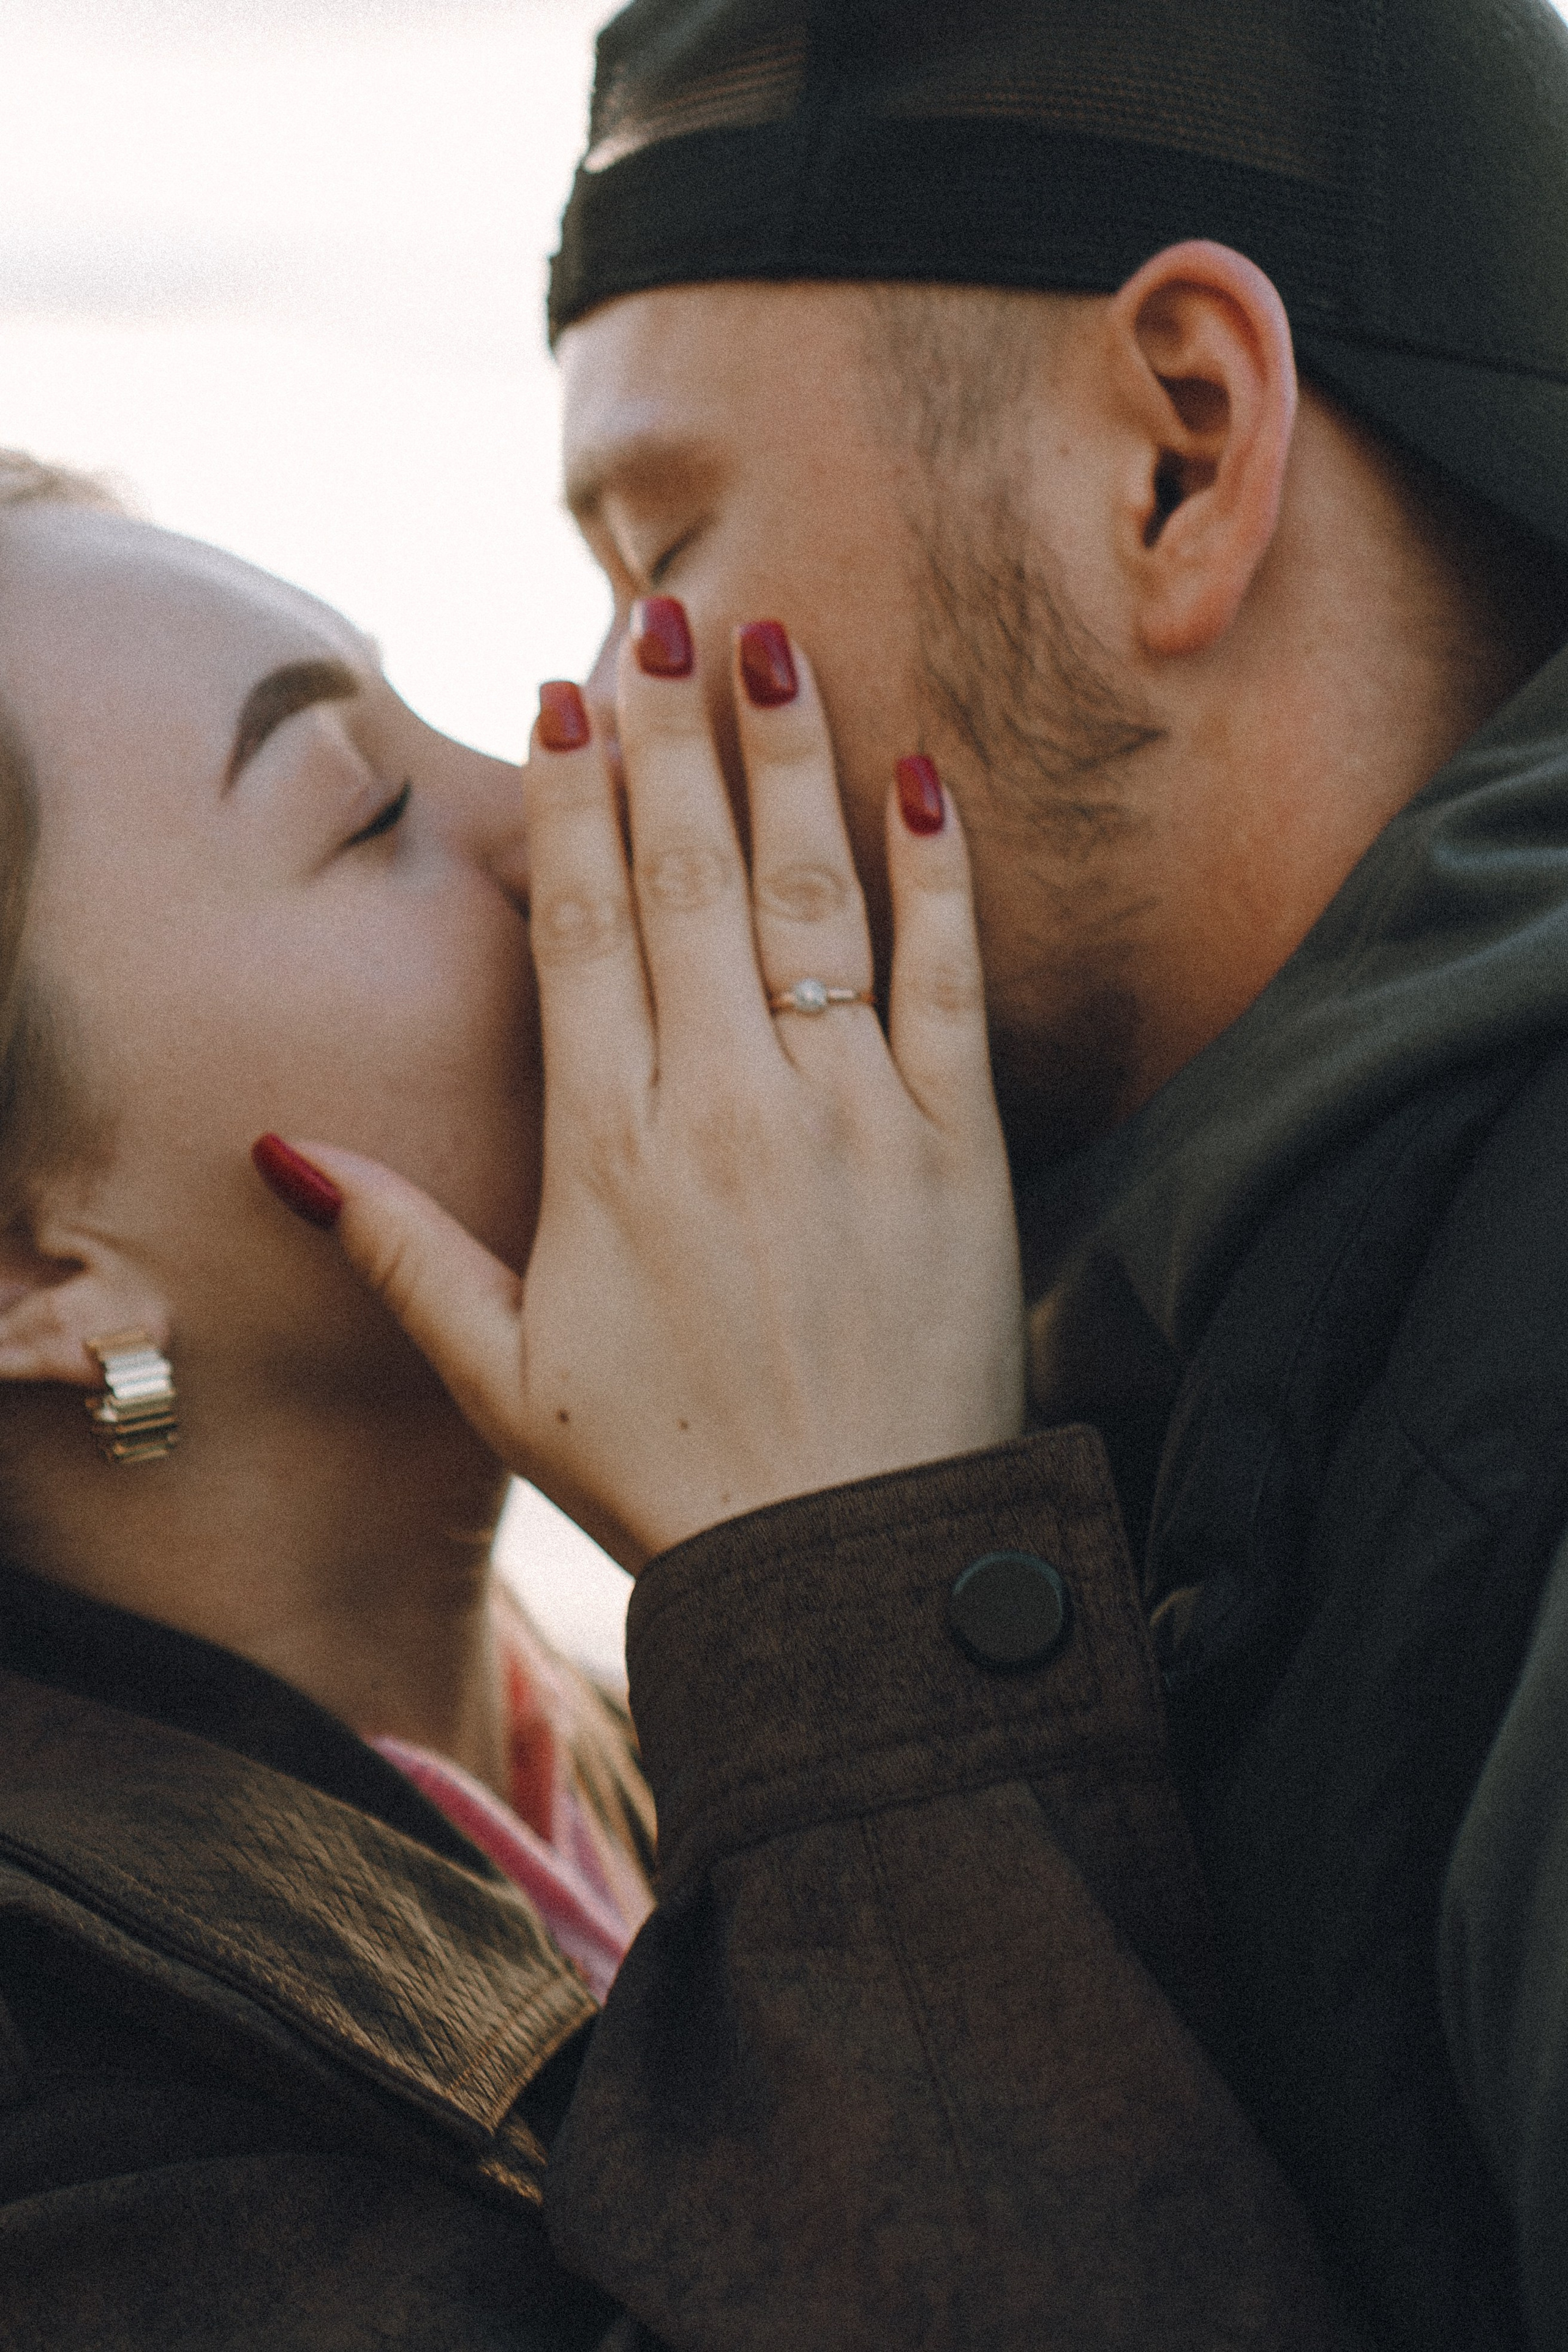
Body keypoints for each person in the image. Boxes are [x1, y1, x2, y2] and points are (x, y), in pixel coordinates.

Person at [279, 2, 1568, 2348]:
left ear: (1178, 457)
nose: (597, 736)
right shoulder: (1229, 1331)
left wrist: (856, 1620)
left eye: (661, 542)